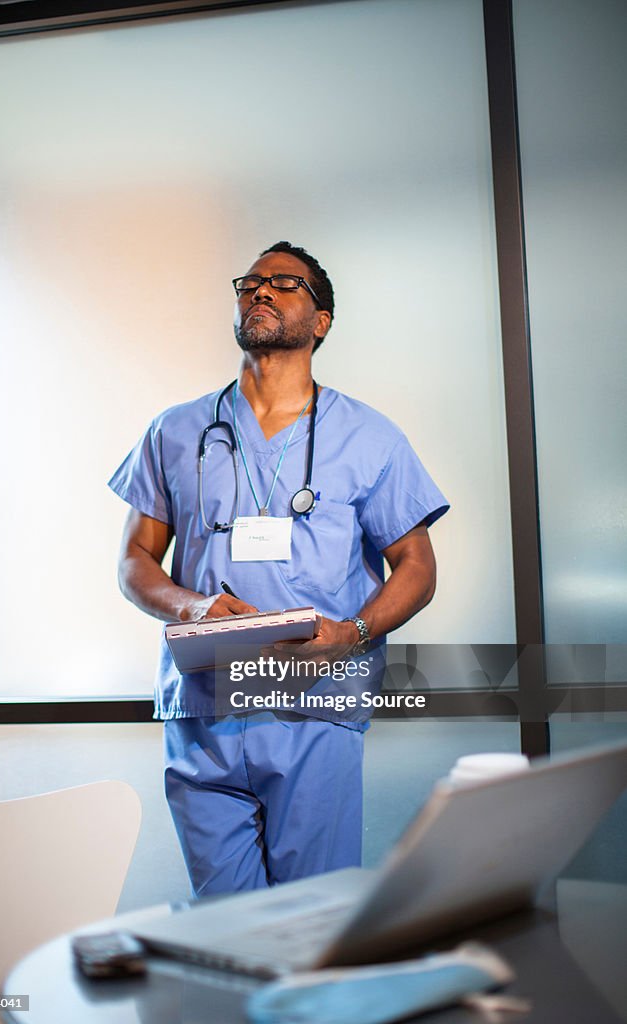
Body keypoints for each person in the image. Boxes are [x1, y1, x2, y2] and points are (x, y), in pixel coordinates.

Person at [108, 241, 448, 898]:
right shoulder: (174, 431)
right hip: (204, 709)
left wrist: (349, 632)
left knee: (306, 919)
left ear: (321, 321)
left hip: (312, 707)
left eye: (285, 284)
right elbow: (134, 562)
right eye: (251, 281)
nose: (261, 290)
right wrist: (192, 607)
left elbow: (416, 567)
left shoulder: (370, 437)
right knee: (225, 925)